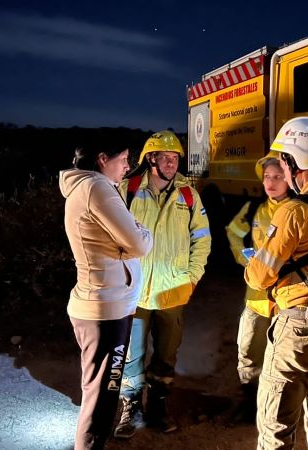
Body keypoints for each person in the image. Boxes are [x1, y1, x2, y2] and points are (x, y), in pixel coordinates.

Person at [245, 116, 308, 449]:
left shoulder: (293, 211)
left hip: (300, 324)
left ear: (293, 162)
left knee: (276, 421)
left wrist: (252, 263)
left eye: (283, 162)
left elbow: (260, 276)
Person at [114, 130, 211, 437]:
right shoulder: (127, 190)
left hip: (173, 292)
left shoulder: (188, 195)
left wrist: (192, 278)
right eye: (165, 158)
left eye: (175, 158)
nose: (171, 163)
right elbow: (110, 236)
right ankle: (129, 408)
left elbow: (203, 240)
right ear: (150, 159)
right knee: (132, 353)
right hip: (135, 293)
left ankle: (158, 406)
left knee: (166, 356)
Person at [59, 145, 153, 450]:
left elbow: (124, 240)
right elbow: (139, 242)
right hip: (104, 309)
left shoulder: (91, 187)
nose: (128, 166)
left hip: (106, 303)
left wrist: (127, 241)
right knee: (102, 395)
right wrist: (139, 235)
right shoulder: (97, 188)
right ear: (102, 159)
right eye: (123, 159)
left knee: (101, 392)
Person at [225, 153, 292, 423]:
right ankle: (248, 402)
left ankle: (279, 410)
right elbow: (233, 232)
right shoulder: (254, 209)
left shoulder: (299, 210)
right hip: (255, 298)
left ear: (289, 179)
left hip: (288, 301)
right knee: (249, 349)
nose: (271, 182)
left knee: (283, 357)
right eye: (267, 177)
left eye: (278, 177)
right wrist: (246, 260)